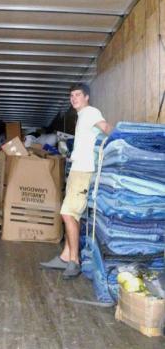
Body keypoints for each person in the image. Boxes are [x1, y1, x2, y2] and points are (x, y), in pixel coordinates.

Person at [40, 83, 112, 278]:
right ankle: (65, 257)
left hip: (83, 172)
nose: (74, 99)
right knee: (72, 214)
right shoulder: (81, 116)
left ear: (86, 96)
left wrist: (122, 143)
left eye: (77, 95)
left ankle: (74, 261)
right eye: (71, 96)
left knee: (68, 214)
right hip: (77, 170)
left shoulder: (90, 112)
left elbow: (106, 128)